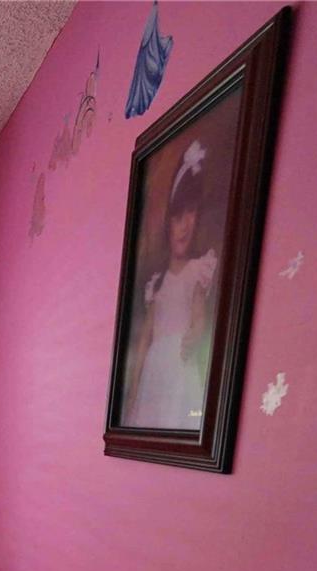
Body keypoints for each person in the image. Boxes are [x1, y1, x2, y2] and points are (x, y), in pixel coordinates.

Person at [123, 139, 218, 428]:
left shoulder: (197, 270)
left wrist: (196, 332)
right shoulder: (157, 283)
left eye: (191, 213)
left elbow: (199, 316)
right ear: (168, 223)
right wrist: (134, 386)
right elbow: (144, 338)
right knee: (150, 417)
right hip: (156, 368)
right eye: (178, 216)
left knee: (177, 416)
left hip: (179, 363)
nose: (185, 225)